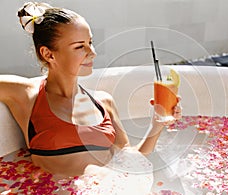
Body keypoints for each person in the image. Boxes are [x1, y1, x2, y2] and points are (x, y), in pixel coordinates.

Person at [0, 2, 182, 180]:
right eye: (80, 46)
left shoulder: (104, 103)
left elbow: (131, 160)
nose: (92, 52)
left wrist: (156, 124)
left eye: (90, 42)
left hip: (113, 189)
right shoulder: (26, 95)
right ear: (48, 54)